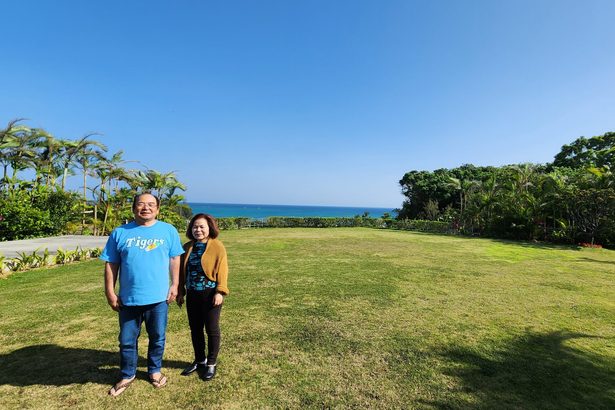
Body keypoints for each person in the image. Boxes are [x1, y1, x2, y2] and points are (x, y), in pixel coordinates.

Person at [101, 192, 184, 397]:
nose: (145, 208)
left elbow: (175, 259)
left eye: (150, 204)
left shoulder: (168, 231)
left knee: (157, 337)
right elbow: (111, 264)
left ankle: (154, 371)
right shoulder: (119, 233)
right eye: (141, 204)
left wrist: (175, 285)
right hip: (129, 298)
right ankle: (128, 374)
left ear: (157, 208)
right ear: (134, 208)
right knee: (127, 340)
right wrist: (110, 292)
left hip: (159, 298)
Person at [177, 213, 229, 381]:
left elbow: (223, 270)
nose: (198, 229)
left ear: (209, 228)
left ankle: (211, 363)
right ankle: (200, 360)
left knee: (212, 329)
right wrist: (180, 291)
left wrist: (220, 291)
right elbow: (181, 272)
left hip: (210, 295)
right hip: (192, 294)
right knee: (195, 329)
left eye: (201, 227)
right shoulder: (187, 247)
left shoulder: (217, 246)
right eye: (194, 226)